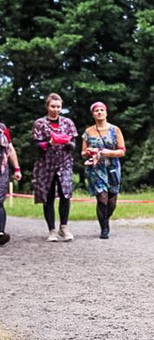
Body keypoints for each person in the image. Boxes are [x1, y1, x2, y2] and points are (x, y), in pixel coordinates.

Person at [32, 93, 78, 242]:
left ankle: (63, 227)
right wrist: (49, 143)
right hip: (45, 165)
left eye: (58, 107)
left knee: (65, 195)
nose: (55, 109)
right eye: (52, 106)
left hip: (64, 164)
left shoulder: (68, 123)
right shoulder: (39, 123)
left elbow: (73, 145)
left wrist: (66, 142)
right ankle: (51, 230)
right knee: (49, 197)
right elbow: (36, 145)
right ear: (47, 106)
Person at [81, 102, 126, 239]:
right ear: (93, 114)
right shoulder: (88, 132)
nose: (99, 112)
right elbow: (83, 153)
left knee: (112, 200)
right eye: (96, 110)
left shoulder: (115, 130)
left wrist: (108, 152)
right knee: (102, 197)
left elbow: (122, 151)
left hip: (112, 167)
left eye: (102, 110)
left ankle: (105, 218)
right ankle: (104, 229)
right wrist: (89, 152)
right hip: (96, 168)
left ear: (106, 113)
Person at [0, 120, 23, 246]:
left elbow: (10, 148)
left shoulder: (2, 128)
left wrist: (17, 168)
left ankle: (0, 233)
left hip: (1, 169)